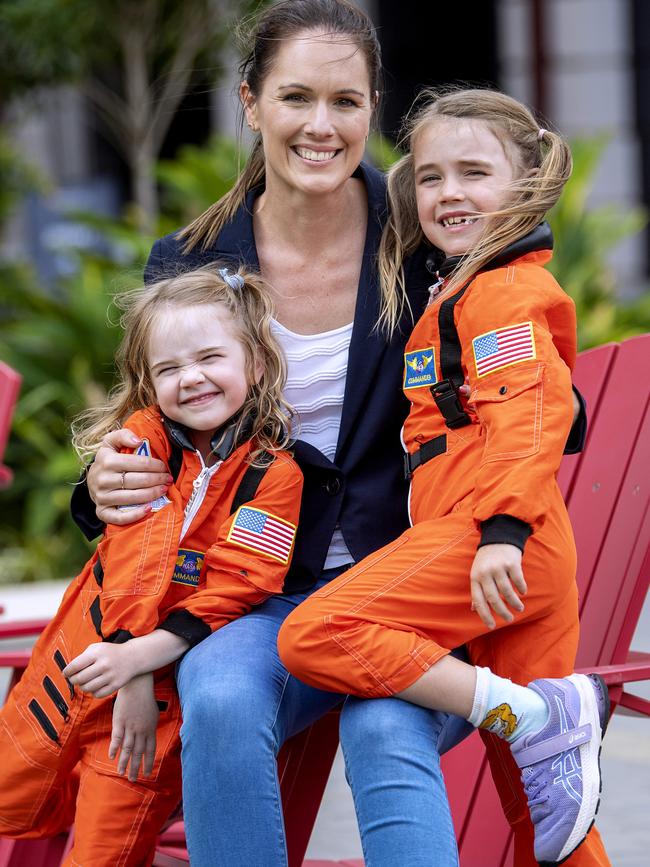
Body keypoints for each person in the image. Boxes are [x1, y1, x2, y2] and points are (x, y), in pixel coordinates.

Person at [70, 3, 605, 866]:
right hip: (259, 589)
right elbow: (157, 430)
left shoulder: (424, 235)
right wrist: (102, 485)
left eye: (347, 102)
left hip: (415, 582)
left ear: (372, 108)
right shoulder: (191, 261)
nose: (322, 126)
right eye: (295, 98)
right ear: (250, 103)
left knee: (387, 719)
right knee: (214, 693)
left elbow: (544, 399)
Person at [277, 87, 611, 866]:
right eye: (430, 177)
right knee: (544, 806)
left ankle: (528, 710)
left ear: (523, 182)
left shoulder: (502, 291)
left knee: (315, 632)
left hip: (494, 545)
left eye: (473, 173)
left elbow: (530, 416)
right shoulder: (457, 287)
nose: (449, 193)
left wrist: (498, 534)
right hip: (502, 552)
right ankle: (540, 719)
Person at [0, 266, 302, 866]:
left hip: (158, 700)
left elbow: (234, 589)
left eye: (210, 358)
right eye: (168, 369)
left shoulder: (275, 476)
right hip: (77, 664)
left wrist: (139, 665)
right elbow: (138, 560)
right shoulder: (141, 446)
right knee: (11, 796)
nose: (190, 379)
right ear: (148, 384)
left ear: (257, 365)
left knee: (105, 845)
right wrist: (129, 666)